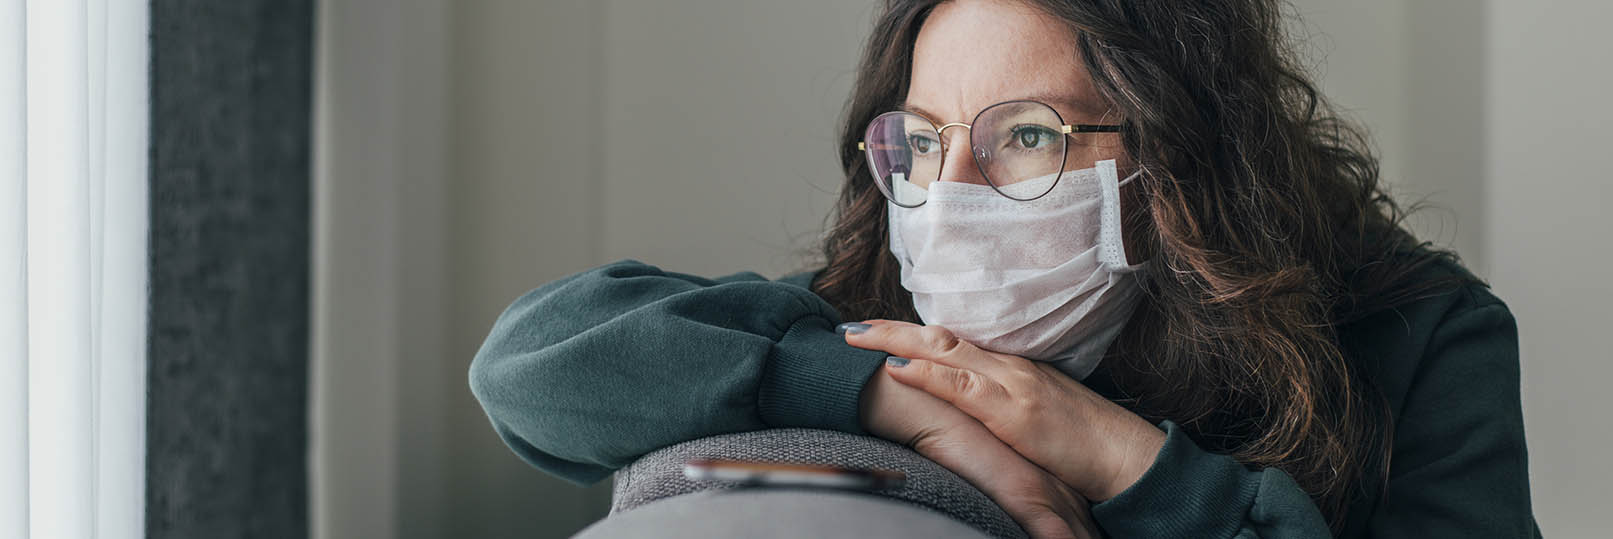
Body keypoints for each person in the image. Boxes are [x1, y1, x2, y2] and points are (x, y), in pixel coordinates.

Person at [468, 1, 1540, 537]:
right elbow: (526, 367)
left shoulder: (1422, 336)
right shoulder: (879, 316)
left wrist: (1119, 458)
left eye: (1027, 135)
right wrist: (898, 399)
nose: (950, 192)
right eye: (922, 139)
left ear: (1179, 153)